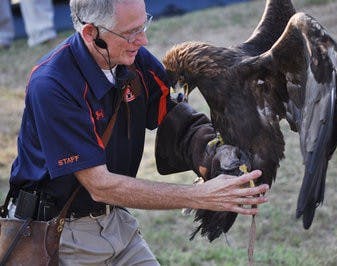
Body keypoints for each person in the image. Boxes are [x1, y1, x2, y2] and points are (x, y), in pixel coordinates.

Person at [4, 0, 269, 264]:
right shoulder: (52, 85)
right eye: (130, 32)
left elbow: (174, 118)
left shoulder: (133, 60)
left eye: (143, 25)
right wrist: (200, 196)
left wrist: (216, 155)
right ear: (90, 33)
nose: (142, 39)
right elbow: (100, 186)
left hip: (117, 221)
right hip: (55, 235)